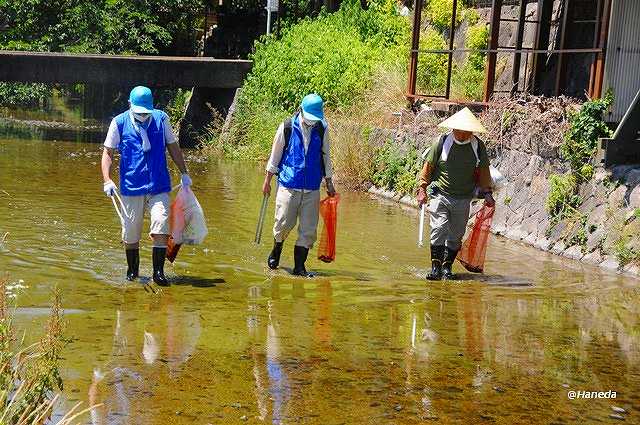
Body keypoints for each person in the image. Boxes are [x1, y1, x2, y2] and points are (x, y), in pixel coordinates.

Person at [101, 86, 192, 286]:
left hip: (158, 186)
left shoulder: (162, 119)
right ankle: (132, 271)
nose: (143, 115)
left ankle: (158, 273)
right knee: (131, 233)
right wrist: (107, 180)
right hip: (131, 187)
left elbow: (173, 146)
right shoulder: (119, 122)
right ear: (130, 106)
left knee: (161, 225)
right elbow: (108, 153)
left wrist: (184, 173)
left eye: (146, 112)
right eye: (139, 112)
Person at [262, 93, 336, 276]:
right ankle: (276, 250)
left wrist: (329, 182)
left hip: (311, 187)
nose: (312, 122)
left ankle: (299, 267)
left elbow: (326, 156)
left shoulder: (322, 128)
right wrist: (267, 182)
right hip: (289, 184)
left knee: (308, 230)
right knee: (283, 223)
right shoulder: (287, 126)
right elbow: (275, 155)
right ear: (301, 110)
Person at [416, 107, 495, 281]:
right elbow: (427, 168)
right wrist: (422, 189)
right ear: (454, 129)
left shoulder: (477, 146)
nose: (463, 134)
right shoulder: (442, 142)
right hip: (440, 194)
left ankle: (447, 267)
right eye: (460, 130)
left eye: (467, 131)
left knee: (456, 234)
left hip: (463, 197)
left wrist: (487, 193)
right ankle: (435, 268)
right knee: (439, 228)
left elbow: (483, 172)